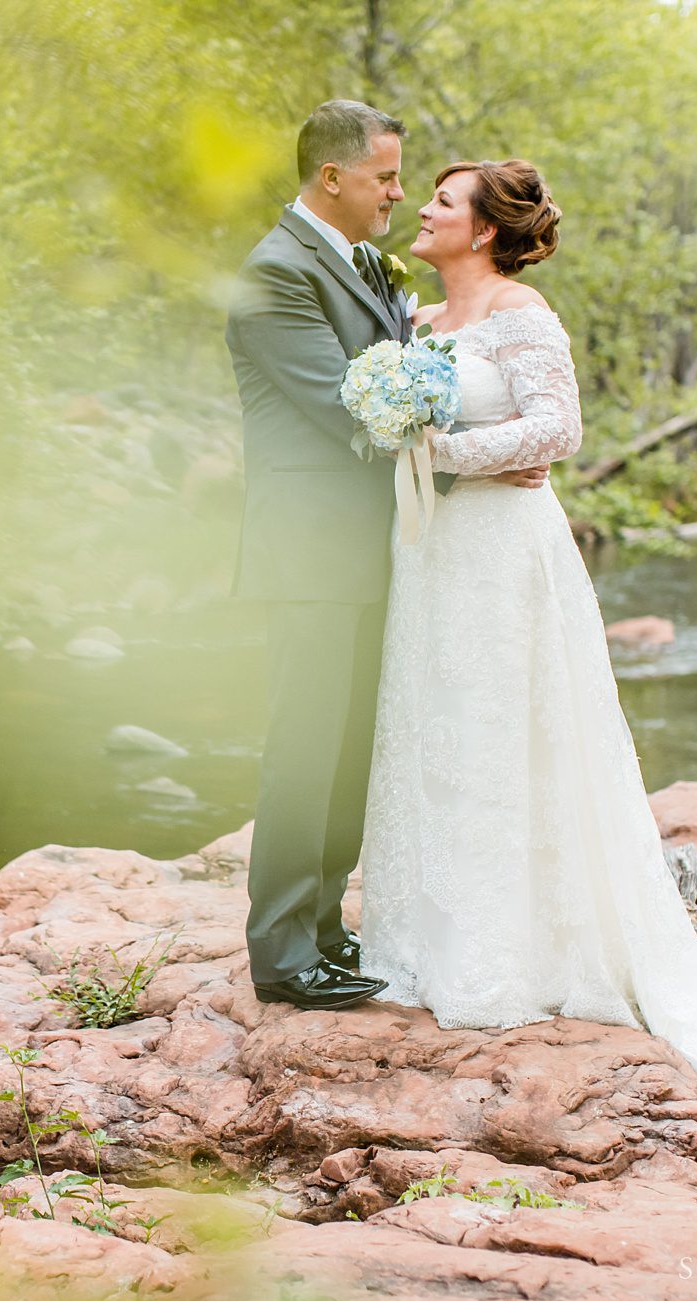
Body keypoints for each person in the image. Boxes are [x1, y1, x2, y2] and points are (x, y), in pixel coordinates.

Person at [354, 157, 697, 1170]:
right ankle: (428, 947)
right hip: (429, 554)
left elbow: (557, 430)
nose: (421, 207)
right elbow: (455, 432)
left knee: (509, 731)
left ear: (485, 229)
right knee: (436, 728)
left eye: (442, 201)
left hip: (504, 549)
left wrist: (438, 449)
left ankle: (517, 957)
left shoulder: (520, 314)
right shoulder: (418, 322)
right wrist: (404, 438)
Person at [225, 104, 546, 1010]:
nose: (399, 195)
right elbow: (346, 408)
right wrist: (475, 458)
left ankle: (325, 930)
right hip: (311, 551)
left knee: (348, 748)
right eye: (386, 178)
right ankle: (283, 953)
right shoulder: (276, 274)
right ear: (334, 177)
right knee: (304, 746)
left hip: (375, 547)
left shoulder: (360, 261)